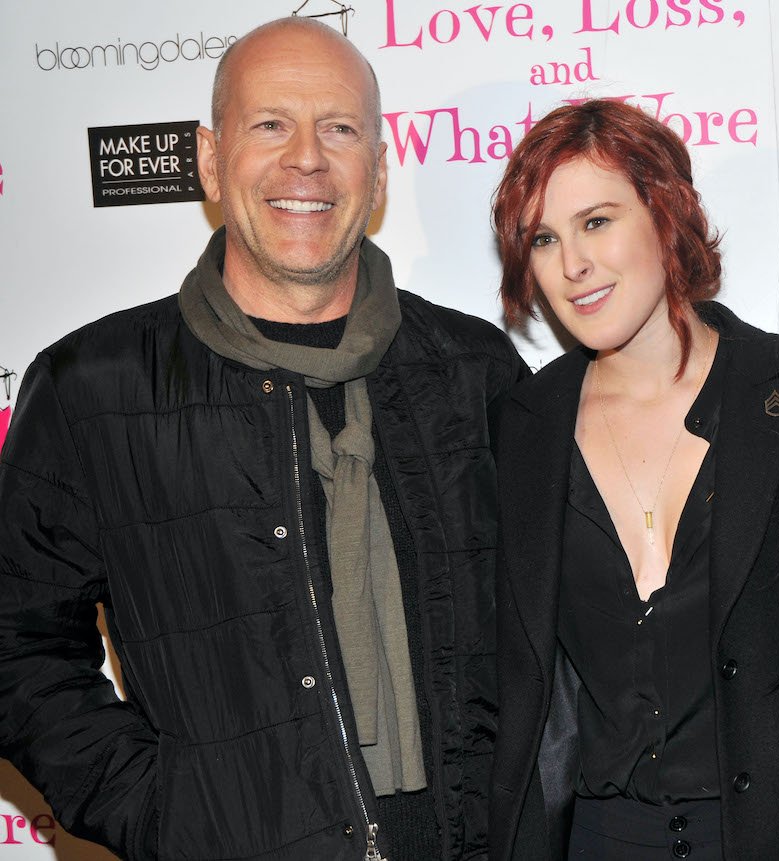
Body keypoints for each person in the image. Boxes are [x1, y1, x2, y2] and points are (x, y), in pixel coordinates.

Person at [0, 17, 526, 860]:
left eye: (339, 129)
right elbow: (15, 644)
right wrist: (166, 809)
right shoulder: (93, 388)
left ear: (379, 168)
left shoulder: (474, 369)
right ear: (210, 159)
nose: (306, 159)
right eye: (270, 124)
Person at [487, 98, 779, 861]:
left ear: (665, 214)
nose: (572, 266)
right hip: (601, 839)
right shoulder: (519, 428)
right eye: (543, 239)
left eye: (596, 221)